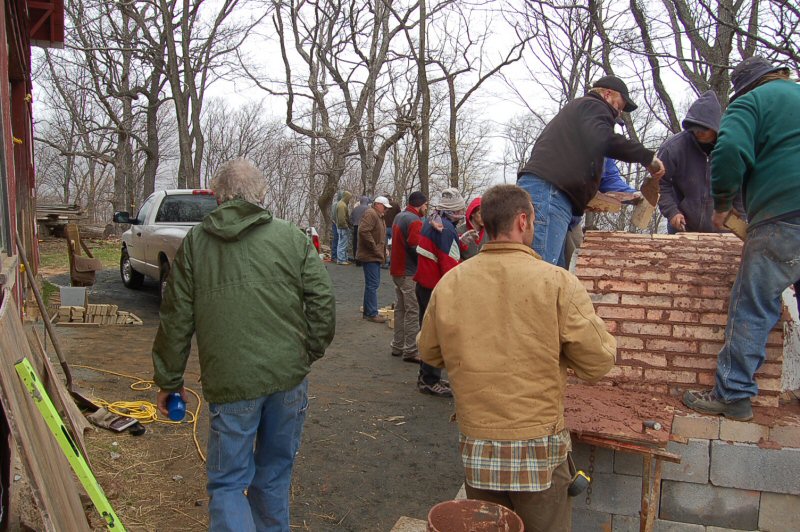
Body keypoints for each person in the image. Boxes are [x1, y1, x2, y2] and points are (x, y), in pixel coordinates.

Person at [418, 184, 616, 532]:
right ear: (523, 221)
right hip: (539, 452)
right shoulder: (558, 283)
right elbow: (598, 362)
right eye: (535, 222)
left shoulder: (451, 283)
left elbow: (429, 351)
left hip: (479, 450)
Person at [151, 159, 335, 531]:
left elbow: (176, 321)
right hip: (287, 379)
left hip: (232, 384)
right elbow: (323, 302)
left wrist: (170, 381)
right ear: (261, 195)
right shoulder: (291, 237)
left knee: (229, 482)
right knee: (273, 475)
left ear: (218, 197)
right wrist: (307, 353)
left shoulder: (196, 245)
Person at [682, 57, 800, 421]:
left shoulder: (751, 102)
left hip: (783, 216)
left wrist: (722, 203)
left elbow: (729, 149)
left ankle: (733, 394)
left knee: (752, 304)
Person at [517, 75, 665, 267]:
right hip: (550, 193)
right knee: (542, 272)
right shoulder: (594, 105)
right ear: (607, 93)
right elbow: (603, 139)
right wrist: (646, 157)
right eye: (620, 105)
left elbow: (608, 177)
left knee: (555, 274)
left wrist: (631, 195)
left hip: (552, 194)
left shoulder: (582, 123)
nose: (619, 113)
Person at [658, 91, 744, 233]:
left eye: (704, 128)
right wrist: (672, 211)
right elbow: (660, 183)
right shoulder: (673, 148)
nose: (698, 132)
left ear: (715, 126)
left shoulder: (731, 149)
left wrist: (739, 220)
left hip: (724, 230)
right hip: (683, 229)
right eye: (695, 127)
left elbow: (741, 187)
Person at [414, 188, 469, 397]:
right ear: (454, 211)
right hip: (435, 287)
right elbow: (449, 264)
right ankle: (429, 380)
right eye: (460, 210)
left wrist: (460, 240)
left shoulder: (434, 221)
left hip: (425, 285)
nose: (462, 214)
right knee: (434, 334)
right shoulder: (445, 230)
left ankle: (428, 377)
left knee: (428, 330)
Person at [564, 158, 639, 268]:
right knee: (551, 266)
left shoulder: (605, 148)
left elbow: (609, 180)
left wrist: (634, 195)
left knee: (577, 266)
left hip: (573, 221)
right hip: (552, 210)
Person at [390, 191, 428, 362]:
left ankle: (397, 345)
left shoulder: (399, 216)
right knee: (413, 311)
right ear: (420, 204)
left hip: (396, 270)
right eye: (426, 205)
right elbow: (415, 246)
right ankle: (411, 350)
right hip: (408, 272)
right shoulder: (414, 221)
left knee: (400, 309)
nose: (426, 208)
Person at [357, 196, 392, 323]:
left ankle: (368, 311)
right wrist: (375, 247)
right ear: (377, 204)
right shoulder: (371, 214)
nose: (386, 210)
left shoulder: (376, 215)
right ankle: (371, 313)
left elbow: (377, 234)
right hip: (370, 255)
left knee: (371, 284)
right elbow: (364, 231)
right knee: (373, 284)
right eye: (384, 207)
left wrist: (383, 249)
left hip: (373, 254)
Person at [351, 196, 370, 263]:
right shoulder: (368, 209)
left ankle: (355, 257)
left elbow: (351, 217)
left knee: (355, 242)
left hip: (355, 226)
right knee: (362, 243)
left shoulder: (355, 208)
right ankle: (361, 259)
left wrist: (353, 224)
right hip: (363, 227)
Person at [335, 191, 353, 264]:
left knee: (341, 243)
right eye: (349, 198)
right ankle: (341, 260)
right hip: (342, 227)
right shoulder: (342, 205)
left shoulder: (340, 204)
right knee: (343, 244)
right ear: (346, 197)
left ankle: (343, 259)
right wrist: (346, 226)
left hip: (340, 227)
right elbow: (342, 218)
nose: (349, 200)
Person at [330, 191, 342, 261]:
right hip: (336, 224)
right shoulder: (337, 204)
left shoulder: (336, 204)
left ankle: (336, 255)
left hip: (335, 223)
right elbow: (334, 215)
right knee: (336, 239)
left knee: (337, 239)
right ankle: (334, 256)